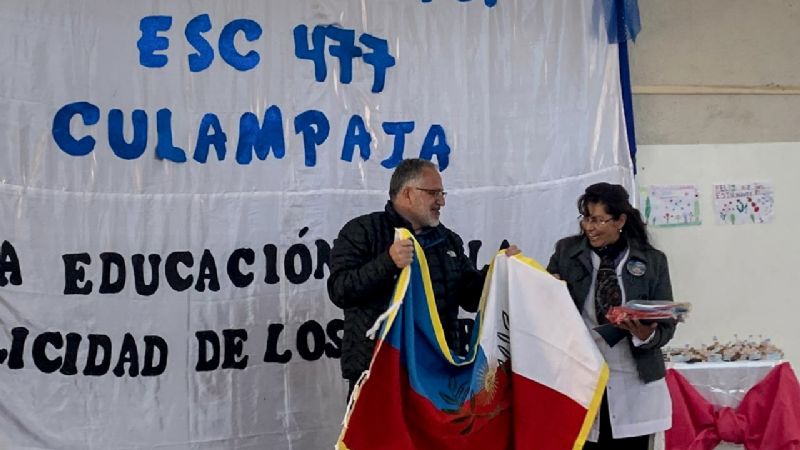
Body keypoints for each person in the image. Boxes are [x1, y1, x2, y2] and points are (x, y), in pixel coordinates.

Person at [327, 158, 518, 399]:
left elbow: (470, 297)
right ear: (408, 193)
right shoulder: (363, 231)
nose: (442, 201)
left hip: (436, 373)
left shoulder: (448, 240)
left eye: (442, 193)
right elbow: (340, 290)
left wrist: (500, 271)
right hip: (378, 369)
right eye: (434, 193)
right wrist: (388, 263)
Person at [546, 182, 674, 449]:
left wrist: (645, 334)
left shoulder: (653, 261)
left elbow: (666, 325)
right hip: (582, 377)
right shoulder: (567, 253)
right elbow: (545, 305)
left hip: (634, 381)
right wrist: (536, 280)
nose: (589, 227)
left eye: (598, 220)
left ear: (620, 220)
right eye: (586, 219)